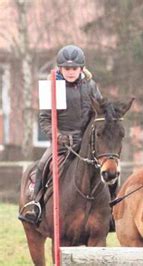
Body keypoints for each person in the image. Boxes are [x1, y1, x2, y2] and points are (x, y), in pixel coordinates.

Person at [18, 45, 103, 225]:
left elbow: (99, 113)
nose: (70, 72)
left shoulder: (91, 86)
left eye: (74, 68)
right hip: (62, 143)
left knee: (106, 170)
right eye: (67, 68)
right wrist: (56, 135)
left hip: (86, 143)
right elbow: (44, 119)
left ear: (81, 68)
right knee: (42, 165)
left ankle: (110, 211)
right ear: (60, 68)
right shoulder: (52, 88)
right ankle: (36, 205)